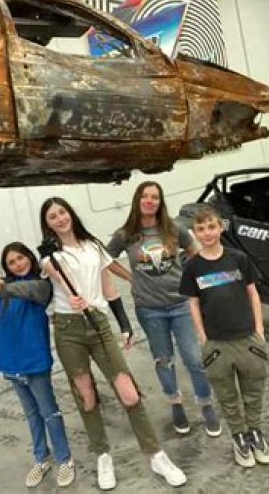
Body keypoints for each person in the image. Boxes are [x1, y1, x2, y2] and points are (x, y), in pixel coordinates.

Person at [38, 197, 187, 491]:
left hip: (99, 324)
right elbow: (55, 274)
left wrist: (125, 325)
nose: (60, 219)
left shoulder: (93, 246)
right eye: (52, 217)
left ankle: (156, 454)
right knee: (86, 396)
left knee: (128, 392)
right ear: (47, 224)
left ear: (71, 214)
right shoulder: (49, 256)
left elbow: (108, 288)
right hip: (68, 329)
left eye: (62, 212)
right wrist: (71, 294)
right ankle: (102, 455)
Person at [106, 181, 221, 437]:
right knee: (163, 360)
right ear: (137, 200)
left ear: (160, 202)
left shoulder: (174, 228)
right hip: (149, 309)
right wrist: (130, 277)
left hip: (181, 304)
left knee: (194, 358)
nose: (150, 201)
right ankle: (176, 404)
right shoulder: (126, 234)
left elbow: (194, 252)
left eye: (155, 197)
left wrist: (192, 279)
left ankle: (206, 405)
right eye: (145, 196)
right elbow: (105, 258)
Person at [0, 242, 75, 488]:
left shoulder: (41, 285)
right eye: (11, 262)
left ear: (30, 258)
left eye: (21, 258)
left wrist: (1, 285)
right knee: (31, 414)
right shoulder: (2, 288)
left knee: (49, 412)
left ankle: (64, 458)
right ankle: (42, 458)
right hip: (11, 361)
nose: (17, 264)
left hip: (35, 361)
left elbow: (21, 289)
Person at [178, 205, 269, 468]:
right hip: (216, 344)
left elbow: (253, 293)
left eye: (211, 226)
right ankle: (239, 437)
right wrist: (202, 337)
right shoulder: (192, 267)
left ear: (221, 227)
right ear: (194, 233)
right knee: (227, 396)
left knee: (253, 391)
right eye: (200, 229)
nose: (207, 233)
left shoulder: (239, 259)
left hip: (248, 339)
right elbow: (193, 303)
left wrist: (259, 330)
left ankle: (255, 433)